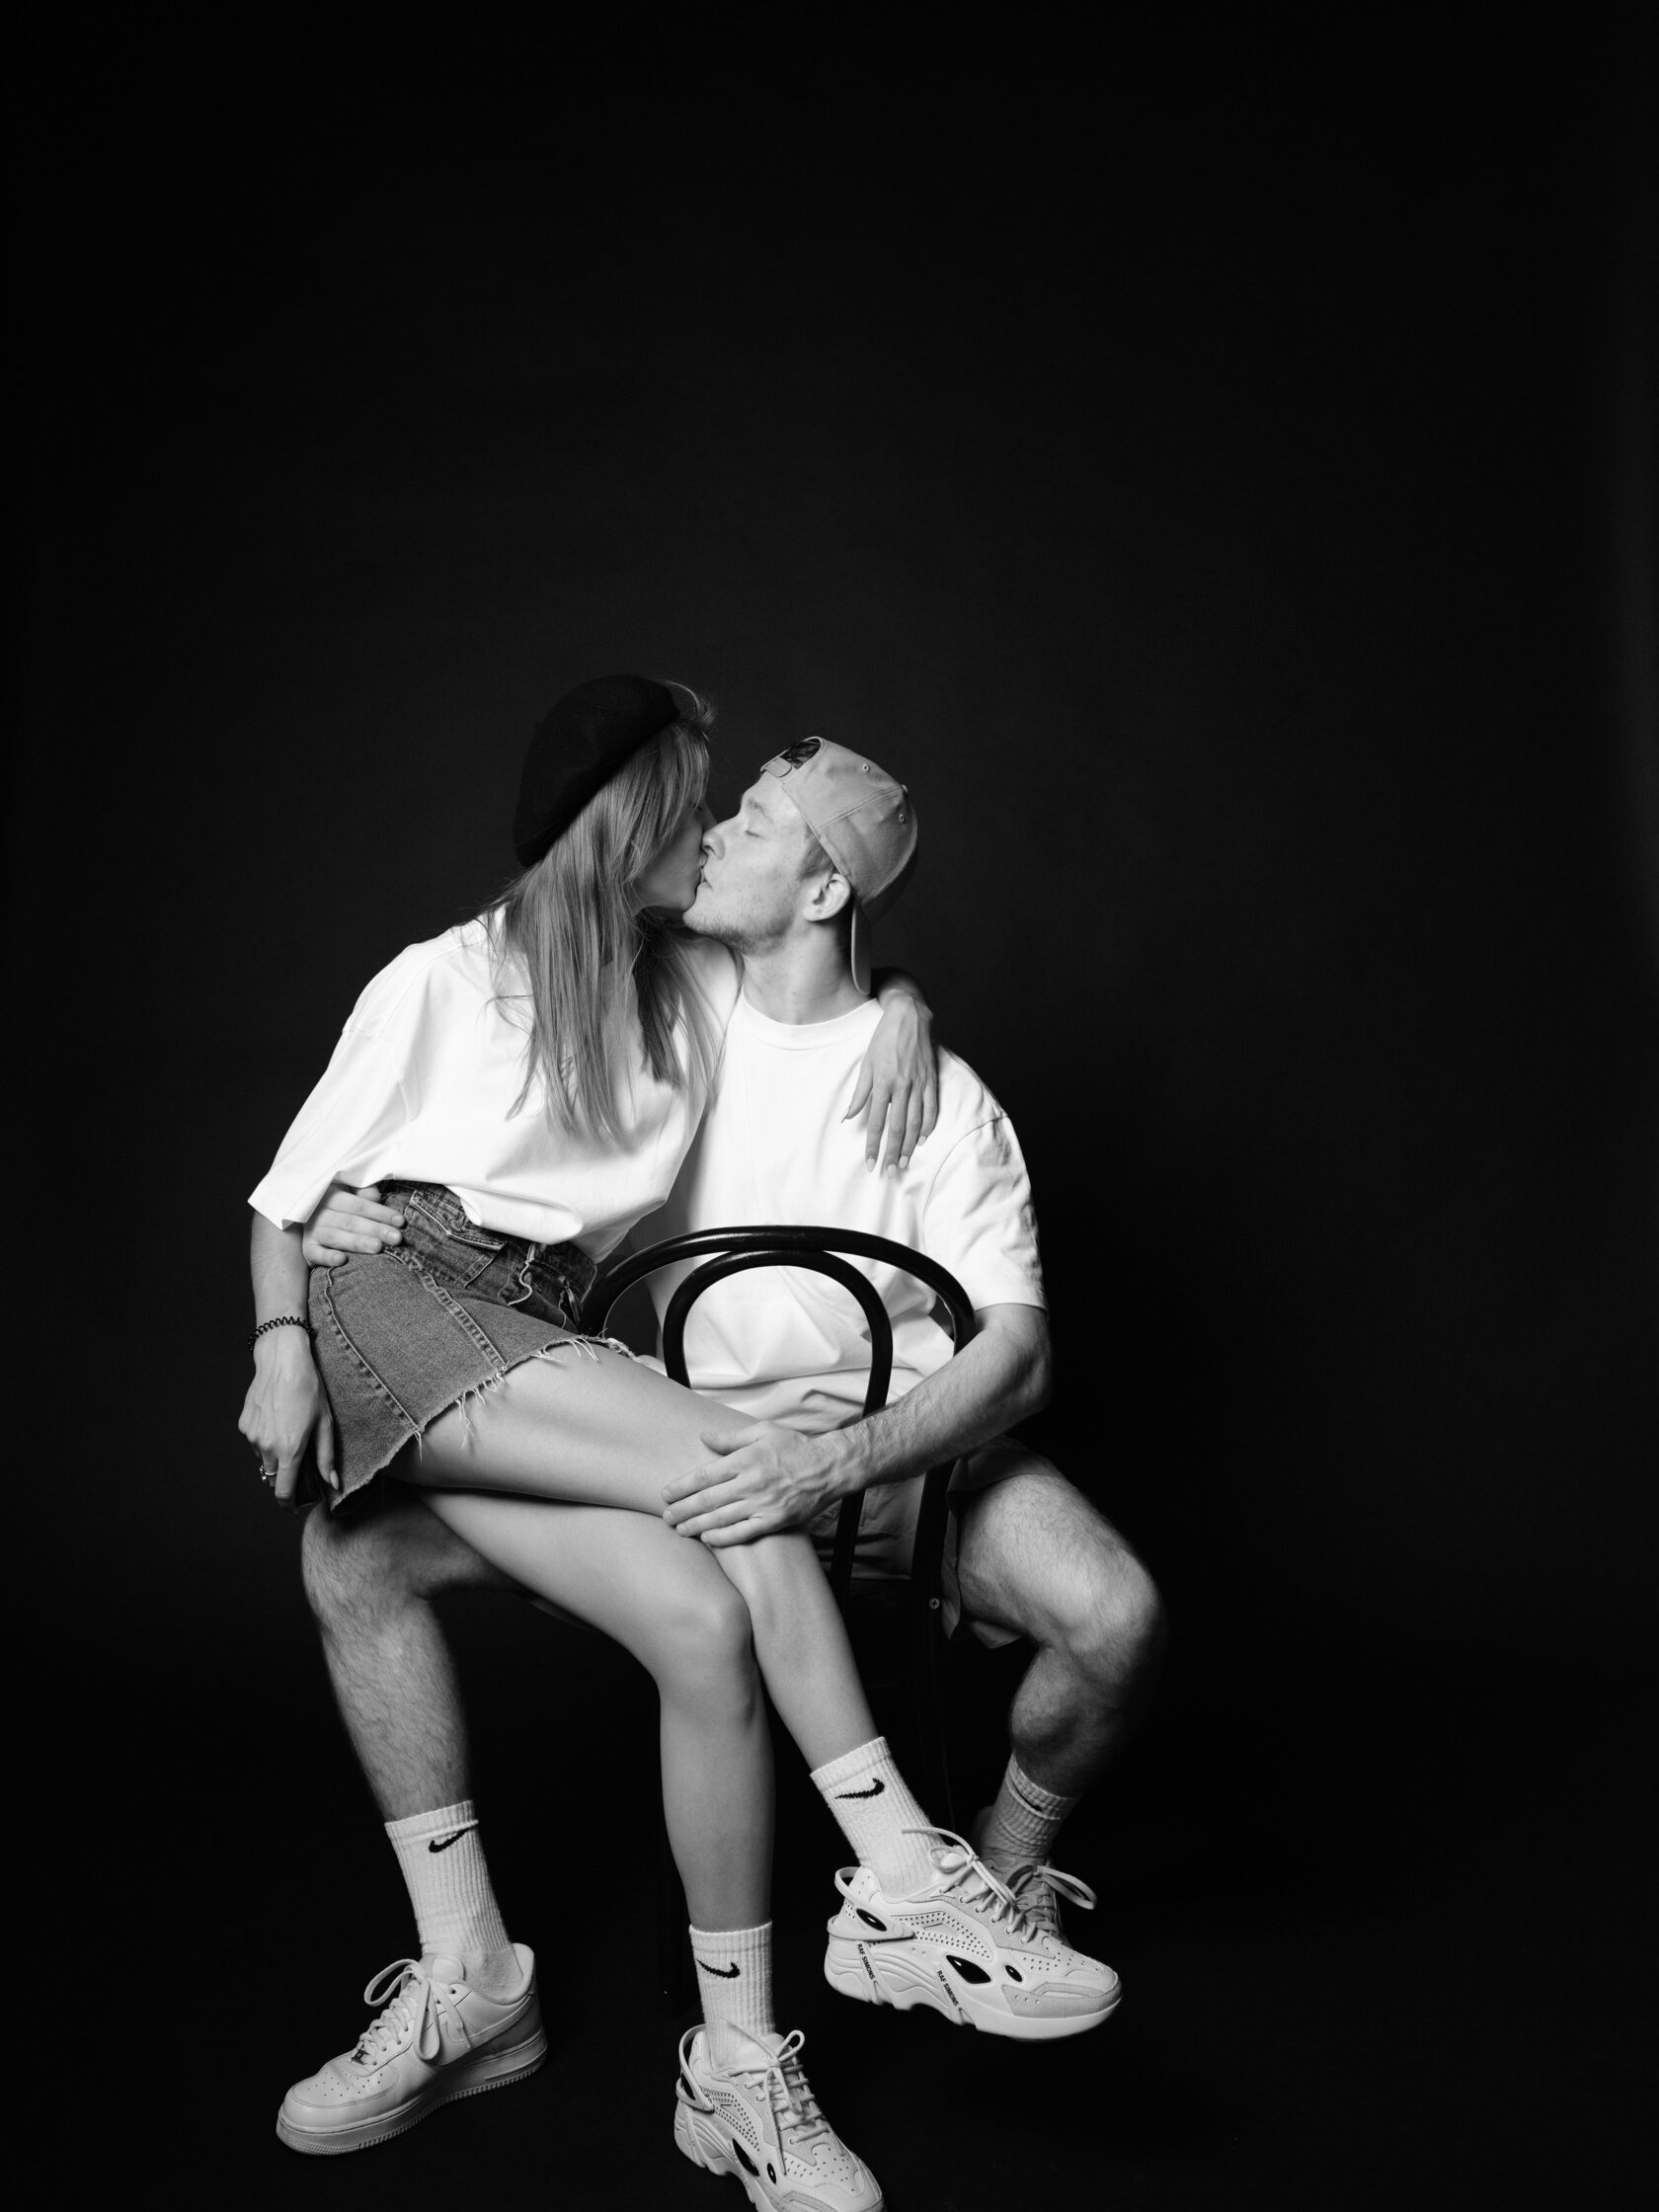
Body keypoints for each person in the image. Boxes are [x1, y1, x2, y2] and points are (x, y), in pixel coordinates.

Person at [301, 741, 1161, 2104]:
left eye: (750, 824)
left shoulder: (942, 1095)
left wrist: (839, 1458)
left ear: (822, 893)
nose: (706, 836)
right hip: (667, 1472)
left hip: (894, 1470)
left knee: (1117, 1616)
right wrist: (355, 1207)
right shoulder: (661, 1015)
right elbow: (488, 1079)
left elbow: (1021, 1358)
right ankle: (471, 1973)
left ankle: (994, 1878)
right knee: (350, 1552)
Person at [243, 677, 969, 2205]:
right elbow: (289, 1204)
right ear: (625, 825)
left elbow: (821, 974)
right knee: (737, 1469)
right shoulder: (440, 980)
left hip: (539, 1326)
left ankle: (727, 2066)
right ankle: (902, 1872)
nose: (708, 833)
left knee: (703, 1618)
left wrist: (905, 1001)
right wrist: (282, 1343)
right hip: (403, 1293)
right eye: (691, 807)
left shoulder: (683, 980)